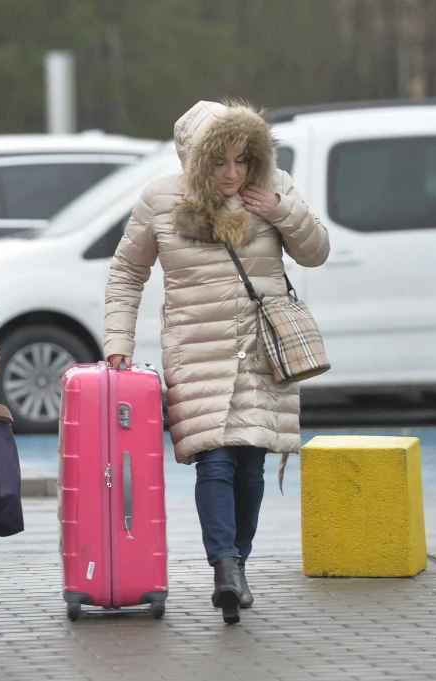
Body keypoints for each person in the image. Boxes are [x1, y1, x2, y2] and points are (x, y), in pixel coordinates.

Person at [103, 100, 329, 623]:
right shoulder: (161, 198)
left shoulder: (276, 189)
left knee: (252, 463)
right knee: (215, 458)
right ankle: (224, 567)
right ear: (196, 160)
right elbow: (126, 272)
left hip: (261, 350)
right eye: (219, 162)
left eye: (241, 160)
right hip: (195, 348)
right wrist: (120, 339)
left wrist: (280, 209)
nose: (232, 174)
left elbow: (316, 250)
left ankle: (238, 565)